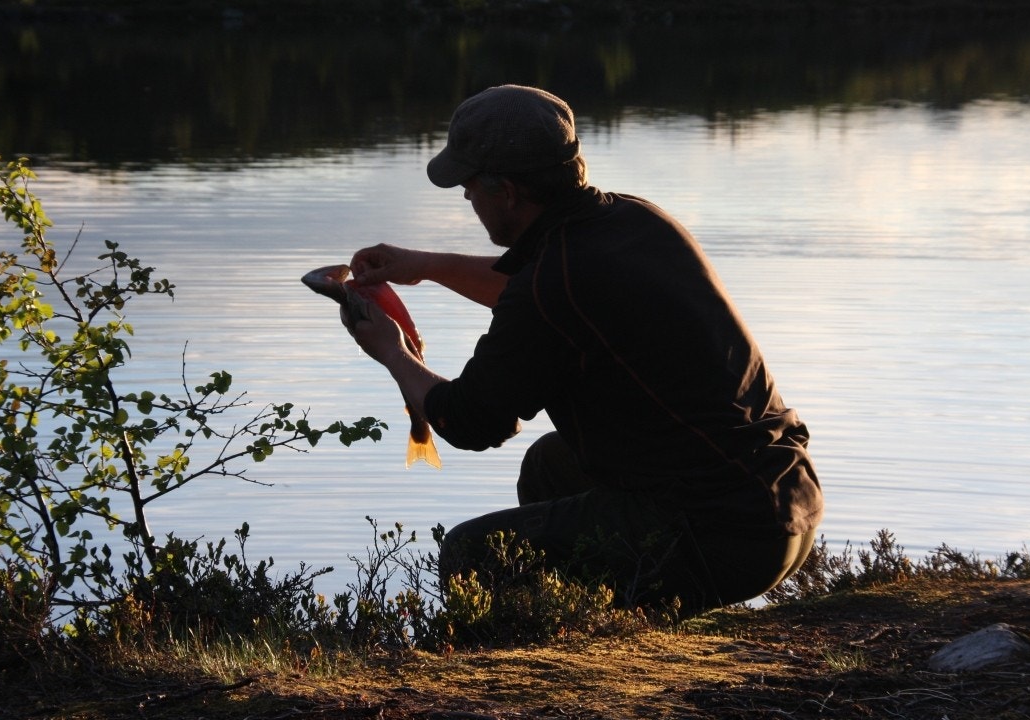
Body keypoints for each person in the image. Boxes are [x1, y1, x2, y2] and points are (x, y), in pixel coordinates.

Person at [340, 84, 822, 614]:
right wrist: (425, 266)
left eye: (470, 183)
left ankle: (533, 673)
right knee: (550, 465)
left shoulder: (554, 279)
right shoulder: (635, 221)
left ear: (507, 192)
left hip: (723, 537)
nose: (465, 196)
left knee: (471, 554)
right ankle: (592, 624)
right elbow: (531, 292)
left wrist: (389, 349)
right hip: (787, 504)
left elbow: (473, 421)